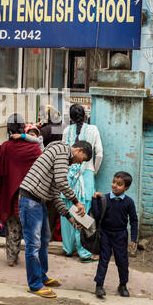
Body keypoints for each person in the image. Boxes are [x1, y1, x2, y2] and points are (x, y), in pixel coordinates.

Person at [19, 140, 93, 298]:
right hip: (31, 200)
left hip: (40, 202)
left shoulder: (62, 159)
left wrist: (69, 217)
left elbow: (54, 193)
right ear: (79, 150)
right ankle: (34, 284)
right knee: (33, 245)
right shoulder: (62, 150)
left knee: (44, 240)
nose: (80, 163)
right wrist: (76, 202)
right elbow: (61, 182)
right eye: (82, 159)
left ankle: (41, 276)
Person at [0, 114, 42, 267]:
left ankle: (11, 258)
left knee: (13, 227)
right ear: (23, 128)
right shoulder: (34, 148)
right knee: (31, 229)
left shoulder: (5, 147)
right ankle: (33, 259)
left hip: (11, 193)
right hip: (30, 195)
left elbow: (2, 171)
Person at [61, 104, 103, 262]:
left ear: (70, 118)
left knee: (67, 208)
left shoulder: (66, 131)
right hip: (87, 175)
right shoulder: (94, 130)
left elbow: (64, 152)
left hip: (69, 175)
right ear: (85, 116)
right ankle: (84, 252)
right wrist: (94, 169)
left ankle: (68, 248)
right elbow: (99, 153)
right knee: (83, 212)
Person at [91, 171, 138, 299]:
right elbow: (96, 215)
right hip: (105, 234)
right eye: (113, 182)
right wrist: (95, 200)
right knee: (103, 260)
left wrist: (133, 238)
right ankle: (99, 286)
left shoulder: (129, 202)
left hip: (121, 235)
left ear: (126, 188)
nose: (114, 185)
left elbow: (134, 220)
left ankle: (122, 285)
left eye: (119, 184)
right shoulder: (104, 198)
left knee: (122, 262)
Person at [36, 105, 66, 238]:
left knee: (43, 205)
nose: (38, 117)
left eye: (40, 115)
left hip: (45, 172)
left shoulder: (44, 130)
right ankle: (52, 234)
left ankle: (43, 236)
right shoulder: (64, 128)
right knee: (55, 204)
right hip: (61, 169)